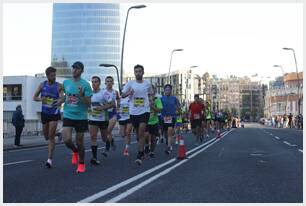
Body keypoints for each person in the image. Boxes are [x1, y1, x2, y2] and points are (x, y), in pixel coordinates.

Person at [61, 61, 92, 173]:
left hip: (81, 116)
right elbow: (65, 97)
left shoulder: (85, 85)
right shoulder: (66, 83)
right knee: (67, 140)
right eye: (73, 68)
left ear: (82, 71)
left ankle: (82, 163)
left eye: (77, 68)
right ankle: (74, 151)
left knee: (79, 141)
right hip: (68, 114)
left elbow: (88, 104)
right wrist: (59, 101)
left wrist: (82, 95)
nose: (74, 70)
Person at [121, 64, 153, 165]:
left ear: (143, 72)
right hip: (133, 112)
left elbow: (151, 93)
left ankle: (139, 154)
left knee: (141, 132)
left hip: (145, 111)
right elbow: (122, 95)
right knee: (138, 135)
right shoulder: (130, 83)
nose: (138, 73)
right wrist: (129, 93)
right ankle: (142, 149)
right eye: (136, 71)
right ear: (134, 73)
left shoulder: (147, 83)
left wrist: (150, 100)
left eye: (140, 71)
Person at [33, 66, 63, 168]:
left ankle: (49, 159)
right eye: (52, 75)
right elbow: (34, 97)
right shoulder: (42, 85)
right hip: (44, 113)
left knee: (50, 137)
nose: (54, 77)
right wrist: (42, 99)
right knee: (46, 136)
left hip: (54, 113)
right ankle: (58, 134)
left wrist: (59, 101)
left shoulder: (59, 86)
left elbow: (62, 97)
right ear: (47, 76)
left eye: (55, 75)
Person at [88, 76, 114, 165]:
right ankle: (94, 158)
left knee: (103, 138)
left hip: (103, 119)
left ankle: (108, 142)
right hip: (92, 118)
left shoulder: (104, 93)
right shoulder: (89, 93)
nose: (93, 83)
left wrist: (102, 107)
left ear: (99, 83)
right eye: (92, 82)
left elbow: (112, 104)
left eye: (95, 82)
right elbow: (87, 104)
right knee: (93, 137)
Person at [161, 84, 181, 154]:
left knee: (170, 131)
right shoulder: (161, 98)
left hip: (172, 117)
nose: (167, 91)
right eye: (166, 90)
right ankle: (168, 142)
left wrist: (178, 110)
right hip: (164, 117)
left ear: (171, 90)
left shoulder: (174, 98)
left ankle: (169, 147)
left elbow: (179, 106)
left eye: (169, 90)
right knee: (165, 133)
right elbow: (158, 107)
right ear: (164, 91)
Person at [144, 85, 163, 158]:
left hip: (154, 121)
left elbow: (160, 109)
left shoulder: (157, 99)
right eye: (148, 89)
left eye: (151, 89)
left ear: (154, 91)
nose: (149, 91)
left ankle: (152, 151)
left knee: (153, 138)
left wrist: (152, 106)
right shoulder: (143, 99)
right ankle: (146, 145)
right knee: (145, 135)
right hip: (145, 121)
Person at [103, 76, 120, 152]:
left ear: (113, 83)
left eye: (110, 81)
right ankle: (112, 141)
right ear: (105, 83)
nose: (109, 83)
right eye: (107, 81)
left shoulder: (115, 92)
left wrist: (118, 107)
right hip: (105, 113)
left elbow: (118, 99)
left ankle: (107, 147)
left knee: (108, 131)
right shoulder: (103, 92)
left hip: (113, 113)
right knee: (107, 132)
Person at [118, 84, 133, 156]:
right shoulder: (119, 98)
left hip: (129, 117)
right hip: (122, 117)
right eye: (123, 89)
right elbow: (117, 107)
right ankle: (124, 134)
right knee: (122, 134)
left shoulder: (130, 97)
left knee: (128, 132)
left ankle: (126, 149)